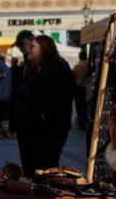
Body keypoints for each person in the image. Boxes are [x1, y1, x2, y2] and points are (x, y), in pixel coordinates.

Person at [10, 35, 76, 175]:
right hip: (29, 131)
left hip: (46, 133)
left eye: (33, 46)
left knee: (44, 170)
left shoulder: (58, 69)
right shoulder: (34, 70)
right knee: (30, 170)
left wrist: (43, 117)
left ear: (45, 49)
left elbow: (61, 100)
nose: (29, 49)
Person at [72, 49, 90, 131]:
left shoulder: (77, 67)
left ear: (79, 57)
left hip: (79, 89)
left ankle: (81, 125)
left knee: (80, 108)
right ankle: (87, 124)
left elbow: (73, 77)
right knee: (86, 107)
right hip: (88, 89)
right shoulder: (89, 66)